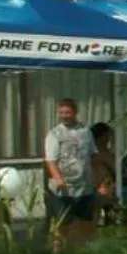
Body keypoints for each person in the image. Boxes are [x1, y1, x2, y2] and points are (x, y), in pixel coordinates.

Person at [43, 98, 97, 242]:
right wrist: (58, 178)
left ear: (75, 112)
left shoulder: (85, 131)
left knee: (85, 224)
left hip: (84, 186)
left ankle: (83, 253)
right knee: (62, 224)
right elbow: (50, 160)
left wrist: (98, 178)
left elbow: (93, 156)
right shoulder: (55, 134)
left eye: (67, 112)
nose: (64, 115)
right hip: (62, 189)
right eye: (61, 113)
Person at [89, 123, 119, 221]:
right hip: (102, 190)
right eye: (109, 136)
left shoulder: (89, 151)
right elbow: (117, 168)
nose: (110, 139)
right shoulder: (101, 152)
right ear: (103, 136)